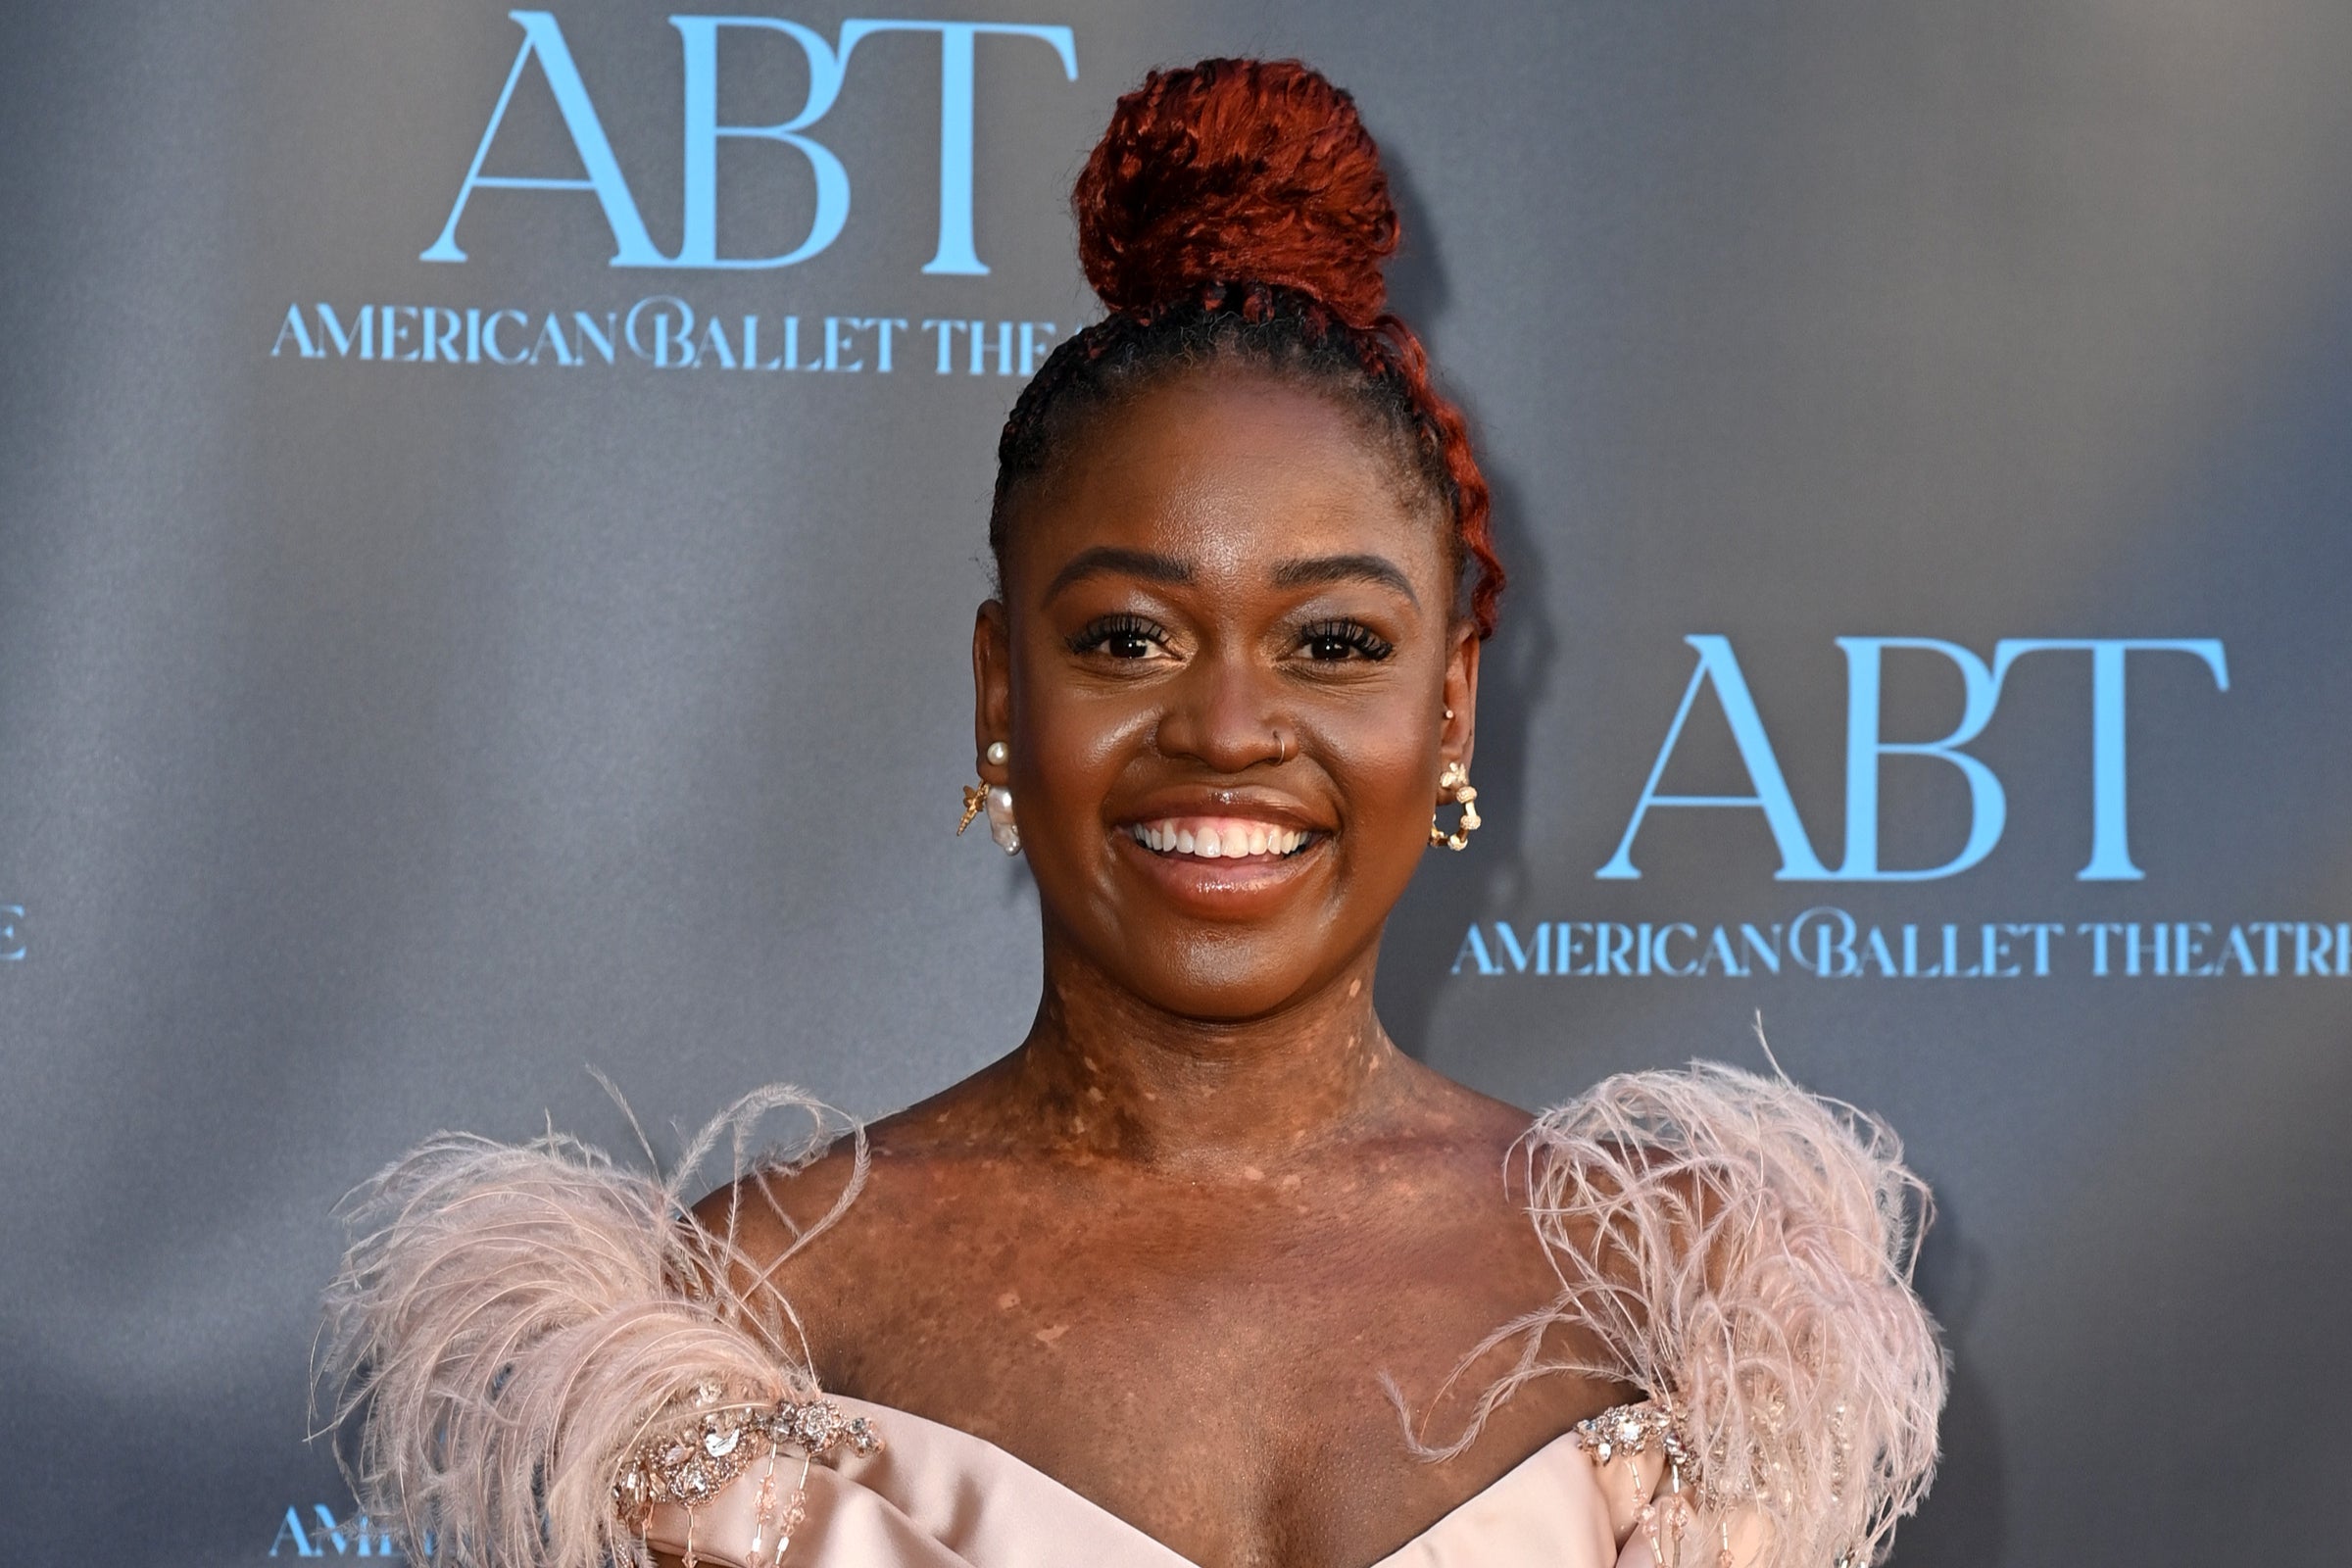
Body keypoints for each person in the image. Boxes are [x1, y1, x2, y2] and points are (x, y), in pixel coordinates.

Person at [322, 59, 1944, 1568]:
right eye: (1126, 639)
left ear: (1449, 703)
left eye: (1332, 644)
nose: (1229, 729)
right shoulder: (749, 1307)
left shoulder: (1690, 1297)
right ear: (996, 693)